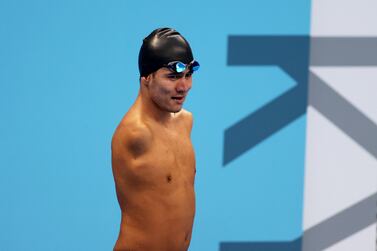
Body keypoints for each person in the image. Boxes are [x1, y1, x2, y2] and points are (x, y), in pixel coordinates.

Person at [111, 27, 200, 251]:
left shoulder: (185, 121)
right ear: (146, 78)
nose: (184, 87)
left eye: (188, 75)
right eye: (172, 77)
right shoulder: (135, 134)